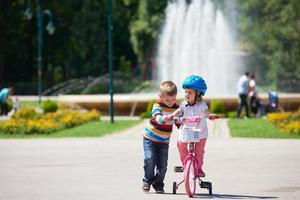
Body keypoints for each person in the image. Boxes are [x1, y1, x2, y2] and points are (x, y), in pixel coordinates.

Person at [173, 75, 217, 177]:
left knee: (199, 152)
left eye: (190, 92)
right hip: (187, 131)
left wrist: (210, 115)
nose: (186, 94)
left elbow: (206, 112)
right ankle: (185, 164)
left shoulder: (202, 105)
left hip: (200, 133)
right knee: (180, 144)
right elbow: (179, 111)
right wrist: (172, 116)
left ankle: (198, 168)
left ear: (198, 94)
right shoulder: (184, 104)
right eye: (186, 92)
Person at [142, 81, 180, 193]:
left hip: (164, 141)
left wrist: (183, 124)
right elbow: (157, 116)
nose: (170, 102)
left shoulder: (176, 108)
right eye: (168, 100)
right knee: (150, 159)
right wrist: (163, 118)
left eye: (173, 99)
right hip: (150, 138)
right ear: (161, 97)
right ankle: (147, 180)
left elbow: (179, 121)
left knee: (162, 165)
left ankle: (158, 184)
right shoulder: (157, 105)